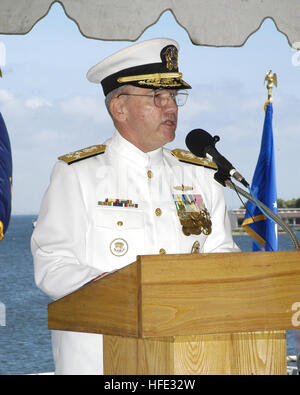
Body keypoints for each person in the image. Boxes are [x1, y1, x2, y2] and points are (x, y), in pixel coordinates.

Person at [31, 38, 239, 375]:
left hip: (188, 360)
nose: (171, 107)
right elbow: (52, 265)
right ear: (119, 108)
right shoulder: (78, 175)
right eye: (157, 96)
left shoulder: (200, 176)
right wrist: (128, 291)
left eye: (174, 96)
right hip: (103, 360)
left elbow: (223, 256)